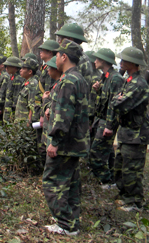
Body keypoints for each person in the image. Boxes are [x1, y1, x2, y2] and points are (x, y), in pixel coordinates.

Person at [43, 39, 89, 236]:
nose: (54, 59)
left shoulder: (68, 81)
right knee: (71, 183)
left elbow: (64, 116)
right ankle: (71, 222)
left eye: (57, 55)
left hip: (65, 143)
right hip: (75, 142)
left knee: (52, 181)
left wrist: (55, 142)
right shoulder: (79, 78)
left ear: (64, 57)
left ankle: (64, 224)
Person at [104, 47, 149, 212]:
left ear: (133, 62)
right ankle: (125, 196)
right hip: (127, 133)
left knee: (132, 169)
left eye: (124, 59)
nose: (121, 62)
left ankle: (134, 202)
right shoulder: (128, 80)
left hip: (136, 134)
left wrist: (117, 98)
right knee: (121, 167)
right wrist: (117, 98)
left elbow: (119, 104)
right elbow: (117, 100)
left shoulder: (139, 84)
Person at [89, 48, 123, 188]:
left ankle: (106, 180)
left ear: (103, 60)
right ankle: (112, 179)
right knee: (108, 152)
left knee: (96, 152)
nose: (95, 61)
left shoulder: (115, 79)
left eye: (97, 59)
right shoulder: (105, 77)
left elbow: (114, 105)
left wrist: (109, 126)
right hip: (100, 119)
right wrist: (98, 90)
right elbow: (103, 101)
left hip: (107, 121)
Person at [34, 39, 59, 166]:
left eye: (43, 50)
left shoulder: (53, 68)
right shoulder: (46, 68)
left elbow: (48, 93)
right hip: (44, 109)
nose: (40, 53)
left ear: (50, 52)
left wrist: (43, 113)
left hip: (48, 111)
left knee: (47, 142)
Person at [15, 58, 39, 125]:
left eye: (23, 68)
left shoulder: (33, 84)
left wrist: (29, 121)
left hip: (25, 122)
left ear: (30, 71)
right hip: (20, 120)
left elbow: (32, 105)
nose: (20, 70)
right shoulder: (26, 82)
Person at [1, 56, 24, 123]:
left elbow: (16, 99)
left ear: (15, 67)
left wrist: (12, 113)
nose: (6, 68)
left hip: (12, 111)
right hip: (8, 110)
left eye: (8, 66)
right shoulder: (12, 77)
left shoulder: (18, 79)